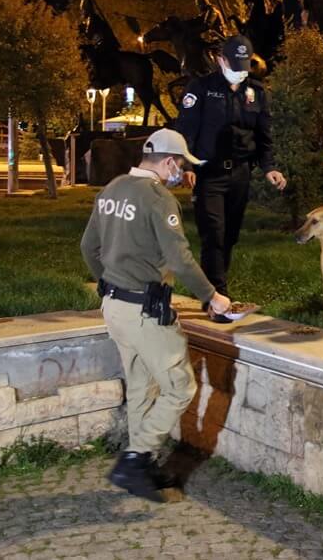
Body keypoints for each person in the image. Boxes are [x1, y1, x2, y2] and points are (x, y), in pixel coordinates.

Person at [80, 128, 231, 501]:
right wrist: (212, 297)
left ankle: (141, 468)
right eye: (181, 165)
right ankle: (135, 459)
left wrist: (108, 281)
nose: (182, 172)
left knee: (142, 386)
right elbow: (180, 259)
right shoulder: (158, 198)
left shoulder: (113, 187)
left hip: (113, 306)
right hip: (143, 311)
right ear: (167, 162)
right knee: (180, 387)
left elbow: (88, 246)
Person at [176, 35, 287, 322]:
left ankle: (211, 293)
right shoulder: (201, 89)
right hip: (208, 172)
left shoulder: (257, 92)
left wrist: (269, 167)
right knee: (213, 233)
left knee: (229, 236)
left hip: (241, 173)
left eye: (244, 64)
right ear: (220, 59)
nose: (240, 70)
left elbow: (264, 136)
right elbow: (186, 130)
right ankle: (218, 301)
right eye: (234, 63)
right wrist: (186, 166)